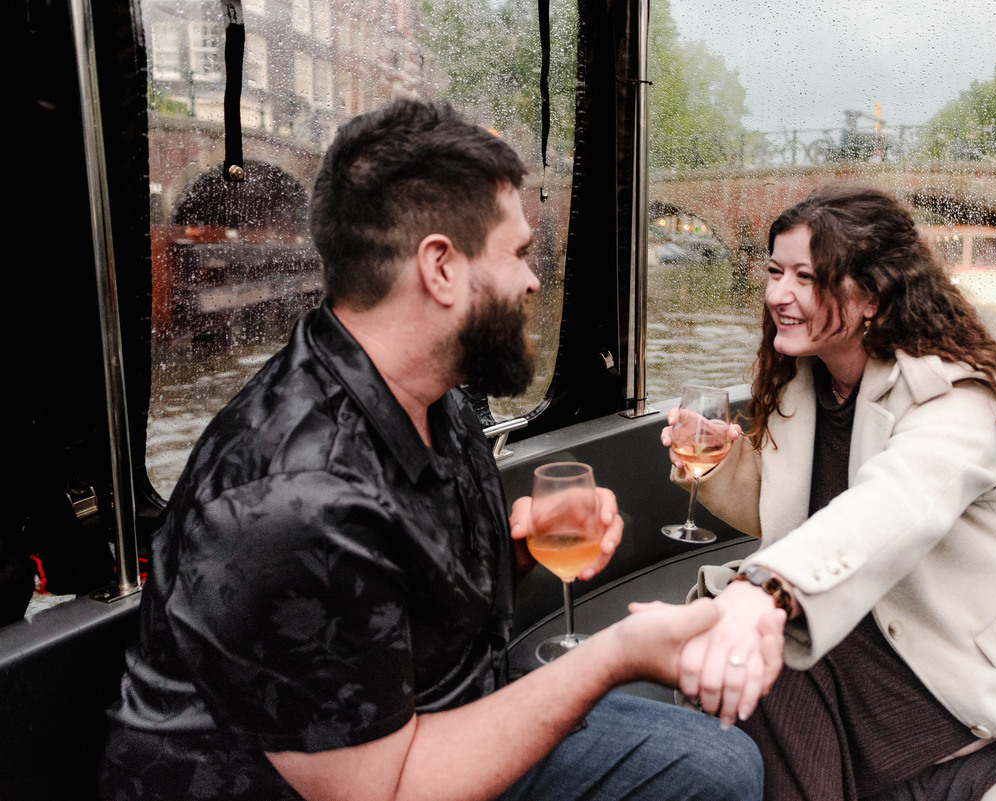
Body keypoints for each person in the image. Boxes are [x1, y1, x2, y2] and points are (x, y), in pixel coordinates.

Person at [99, 99, 779, 801]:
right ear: (441, 268)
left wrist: (525, 544)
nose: (534, 280)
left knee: (720, 762)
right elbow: (386, 791)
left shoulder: (435, 395)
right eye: (517, 253)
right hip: (356, 779)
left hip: (435, 712)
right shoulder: (295, 496)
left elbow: (408, 604)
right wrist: (613, 657)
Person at [663, 186, 996, 801]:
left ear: (871, 294)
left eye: (807, 276)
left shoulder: (961, 396)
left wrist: (765, 593)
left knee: (754, 659)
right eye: (774, 271)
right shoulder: (806, 384)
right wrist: (724, 460)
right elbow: (807, 520)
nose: (777, 294)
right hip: (856, 636)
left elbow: (892, 506)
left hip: (955, 673)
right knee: (746, 668)